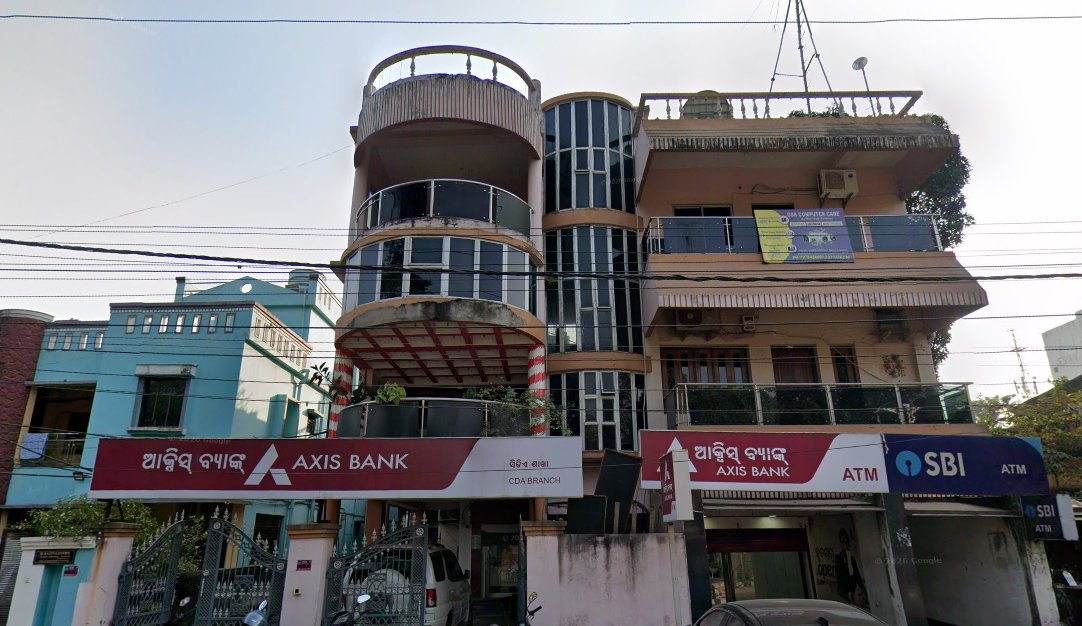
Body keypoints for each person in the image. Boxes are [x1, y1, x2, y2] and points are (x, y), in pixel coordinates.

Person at [834, 528, 868, 608]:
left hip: (855, 588)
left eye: (846, 542)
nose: (845, 545)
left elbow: (857, 575)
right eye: (843, 542)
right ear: (840, 544)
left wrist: (863, 591)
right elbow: (840, 581)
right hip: (847, 590)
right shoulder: (838, 558)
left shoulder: (851, 558)